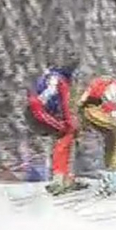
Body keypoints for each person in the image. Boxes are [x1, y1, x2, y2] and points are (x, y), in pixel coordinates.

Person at [26, 61, 87, 195]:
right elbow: (64, 106)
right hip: (39, 114)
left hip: (34, 112)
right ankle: (59, 178)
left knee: (64, 134)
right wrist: (70, 123)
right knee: (66, 134)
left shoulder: (48, 76)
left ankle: (63, 176)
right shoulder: (61, 82)